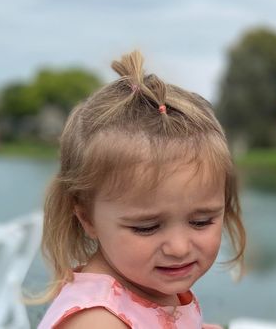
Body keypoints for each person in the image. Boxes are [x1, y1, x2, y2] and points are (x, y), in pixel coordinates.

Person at [36, 51, 245, 328]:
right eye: (147, 227)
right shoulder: (97, 321)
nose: (179, 248)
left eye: (201, 221)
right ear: (87, 218)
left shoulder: (148, 283)